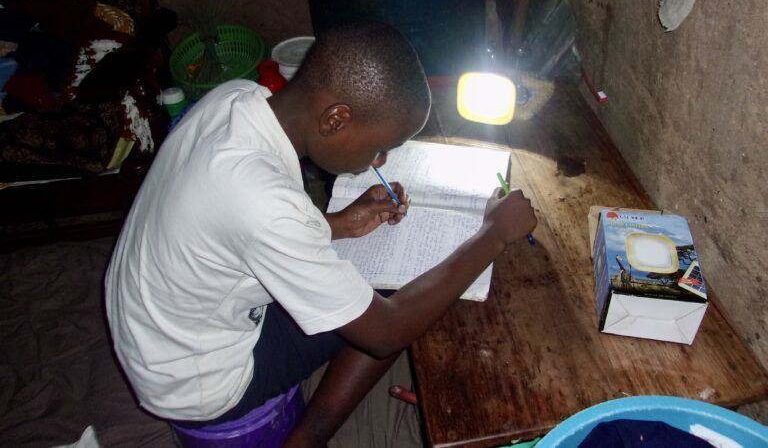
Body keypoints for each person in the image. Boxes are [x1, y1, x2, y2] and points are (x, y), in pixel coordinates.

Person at [105, 23, 537, 447]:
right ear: (335, 119)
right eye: (379, 147)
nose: (381, 160)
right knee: (395, 295)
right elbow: (386, 332)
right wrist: (494, 234)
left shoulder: (235, 99)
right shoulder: (261, 201)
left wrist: (339, 224)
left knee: (369, 274)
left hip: (155, 327)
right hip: (193, 381)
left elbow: (230, 222)